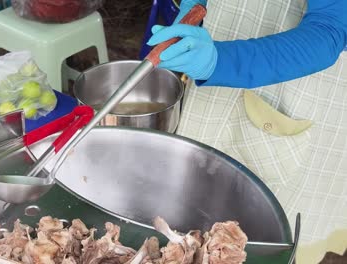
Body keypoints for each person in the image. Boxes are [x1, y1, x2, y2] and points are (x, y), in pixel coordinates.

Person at [147, 0, 347, 263]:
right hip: (221, 56)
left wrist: (218, 61)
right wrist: (194, 4)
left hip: (292, 86)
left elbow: (330, 29)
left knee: (253, 240)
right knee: (193, 216)